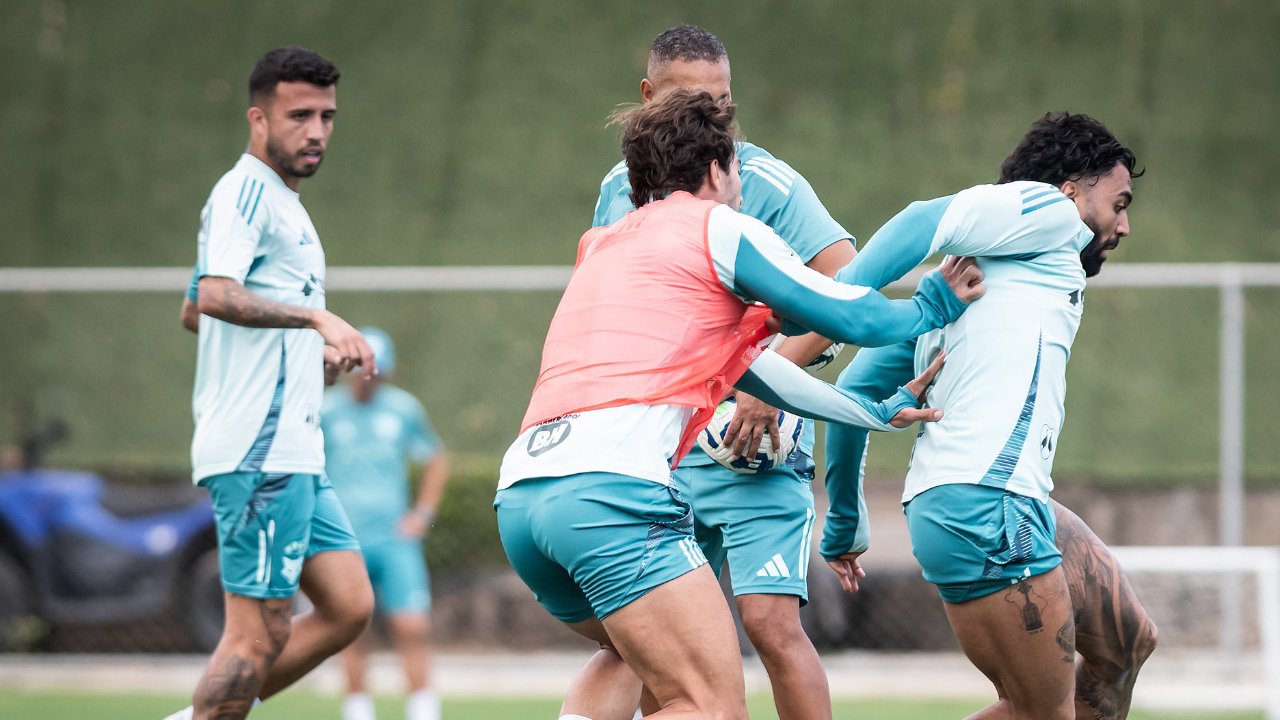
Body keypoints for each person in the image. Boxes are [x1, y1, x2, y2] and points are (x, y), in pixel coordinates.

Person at [496, 88, 983, 720]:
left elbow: (757, 375)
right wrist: (932, 305)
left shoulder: (607, 244)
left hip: (525, 496)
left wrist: (870, 413)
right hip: (608, 493)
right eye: (737, 169)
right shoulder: (717, 225)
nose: (742, 186)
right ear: (716, 170)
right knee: (709, 706)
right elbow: (846, 309)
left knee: (628, 653)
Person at [820, 112, 1159, 719]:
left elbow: (849, 396)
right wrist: (833, 303)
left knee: (1129, 642)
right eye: (1119, 202)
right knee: (1040, 715)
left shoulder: (957, 291)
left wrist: (845, 520)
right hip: (988, 506)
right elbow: (925, 219)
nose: (1125, 225)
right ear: (1070, 193)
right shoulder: (1054, 218)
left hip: (986, 503)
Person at [591, 25, 853, 719]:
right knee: (658, 641)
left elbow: (847, 287)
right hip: (662, 448)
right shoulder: (619, 189)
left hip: (751, 450)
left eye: (723, 102)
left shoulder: (762, 180)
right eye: (689, 100)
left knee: (770, 624)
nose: (711, 119)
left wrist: (768, 380)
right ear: (648, 97)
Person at [165, 47, 377, 720]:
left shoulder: (279, 202)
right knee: (255, 637)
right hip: (260, 453)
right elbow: (217, 295)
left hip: (294, 449)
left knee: (348, 606)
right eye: (299, 115)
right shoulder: (246, 189)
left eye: (327, 116)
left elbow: (193, 309)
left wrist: (298, 355)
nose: (316, 130)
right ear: (258, 119)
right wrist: (312, 317)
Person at [322, 327, 448, 720]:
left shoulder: (403, 409)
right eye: (362, 369)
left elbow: (435, 459)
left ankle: (422, 708)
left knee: (411, 626)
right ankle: (358, 709)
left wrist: (421, 514)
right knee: (350, 627)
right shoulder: (324, 410)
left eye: (376, 370)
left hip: (395, 539)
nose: (369, 378)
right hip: (345, 540)